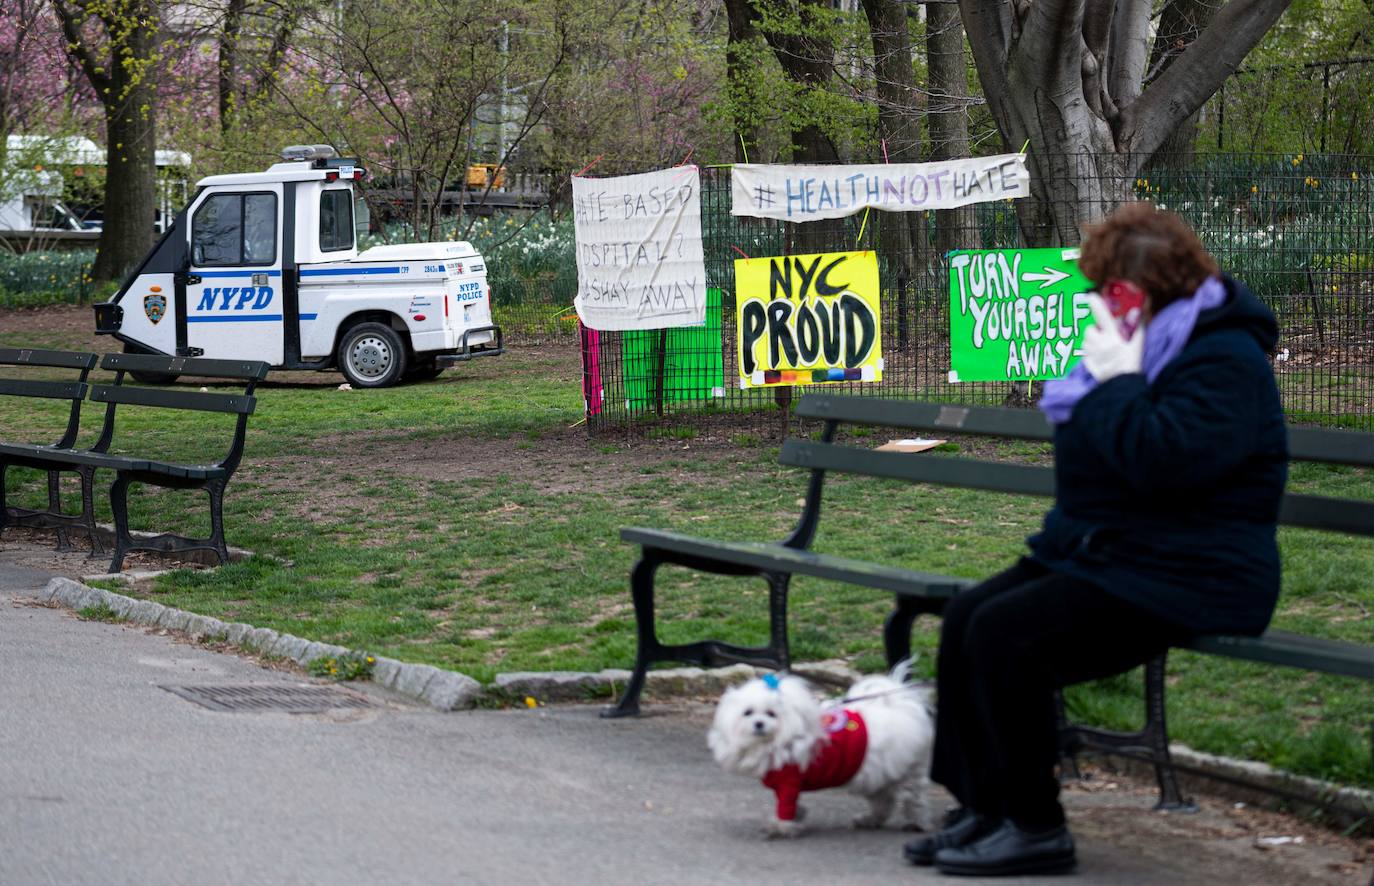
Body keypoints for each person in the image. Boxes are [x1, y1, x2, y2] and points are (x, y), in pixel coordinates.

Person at [904, 201, 1288, 877]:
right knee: (968, 617)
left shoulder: (1222, 357)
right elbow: (1093, 468)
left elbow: (1164, 465)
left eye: (1109, 289)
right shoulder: (1145, 343)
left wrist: (1116, 384)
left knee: (1008, 636)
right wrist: (1058, 548)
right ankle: (985, 806)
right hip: (1121, 552)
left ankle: (1037, 827)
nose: (1099, 303)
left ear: (1152, 285)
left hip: (1198, 571)